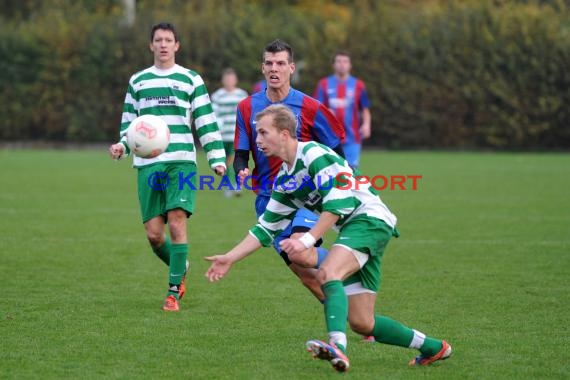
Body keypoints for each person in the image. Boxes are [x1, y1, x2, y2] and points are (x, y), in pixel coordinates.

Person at [205, 105, 452, 372]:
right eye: (257, 134)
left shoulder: (313, 153)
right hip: (353, 229)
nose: (258, 140)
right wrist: (229, 257)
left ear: (285, 133)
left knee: (328, 273)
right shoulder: (285, 179)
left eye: (264, 133)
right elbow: (265, 228)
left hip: (369, 219)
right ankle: (434, 347)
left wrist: (307, 240)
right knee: (362, 322)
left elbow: (338, 203)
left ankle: (338, 347)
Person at [109, 22, 226, 312]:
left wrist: (216, 156)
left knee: (177, 221)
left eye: (168, 40)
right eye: (158, 40)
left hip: (181, 162)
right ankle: (180, 264)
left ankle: (173, 292)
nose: (163, 44)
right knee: (154, 235)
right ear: (151, 45)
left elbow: (205, 119)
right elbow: (130, 124)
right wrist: (122, 146)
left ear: (177, 46)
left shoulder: (191, 79)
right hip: (148, 164)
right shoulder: (138, 81)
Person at [233, 39, 346, 301]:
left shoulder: (310, 107)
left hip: (306, 195)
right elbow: (241, 153)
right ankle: (352, 318)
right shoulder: (247, 107)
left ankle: (350, 260)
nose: (275, 69)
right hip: (269, 200)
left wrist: (340, 181)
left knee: (300, 253)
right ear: (262, 68)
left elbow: (336, 150)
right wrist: (242, 170)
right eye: (270, 63)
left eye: (281, 63)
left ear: (291, 68)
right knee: (305, 274)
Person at [314, 51, 371, 169]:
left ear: (350, 65)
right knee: (331, 171)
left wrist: (366, 124)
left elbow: (365, 109)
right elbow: (315, 109)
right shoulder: (323, 84)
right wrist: (326, 112)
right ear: (333, 65)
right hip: (328, 137)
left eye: (345, 61)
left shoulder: (358, 85)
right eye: (339, 61)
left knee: (351, 171)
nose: (342, 64)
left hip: (352, 138)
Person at [211, 68, 249, 197]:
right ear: (223, 80)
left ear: (235, 80)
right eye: (227, 79)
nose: (229, 81)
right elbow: (213, 115)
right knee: (224, 163)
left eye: (231, 79)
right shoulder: (217, 96)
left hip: (236, 135)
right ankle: (229, 186)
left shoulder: (242, 95)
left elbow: (246, 114)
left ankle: (235, 186)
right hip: (222, 136)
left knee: (233, 160)